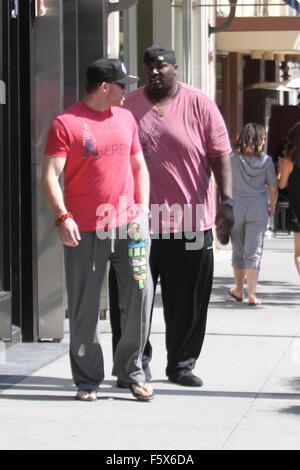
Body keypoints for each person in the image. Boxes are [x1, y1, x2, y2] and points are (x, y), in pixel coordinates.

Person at [109, 44, 234, 387]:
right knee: (132, 296)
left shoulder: (199, 103)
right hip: (136, 224)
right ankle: (134, 364)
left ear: (175, 69)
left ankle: (181, 364)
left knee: (188, 300)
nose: (154, 72)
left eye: (161, 67)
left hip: (191, 223)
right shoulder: (127, 106)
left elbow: (220, 154)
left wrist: (227, 201)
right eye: (148, 66)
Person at [42, 58, 154, 402]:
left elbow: (140, 168)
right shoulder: (67, 123)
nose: (128, 90)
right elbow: (49, 175)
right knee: (84, 305)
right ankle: (88, 379)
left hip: (129, 228)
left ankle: (131, 371)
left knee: (142, 292)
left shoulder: (126, 118)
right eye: (122, 84)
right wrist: (63, 217)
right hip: (86, 230)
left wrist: (143, 211)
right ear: (104, 86)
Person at [229, 123, 278, 306]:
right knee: (254, 251)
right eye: (263, 138)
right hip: (258, 207)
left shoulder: (232, 158)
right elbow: (273, 188)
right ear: (257, 140)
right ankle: (251, 294)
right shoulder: (266, 161)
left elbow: (222, 182)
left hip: (236, 207)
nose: (264, 141)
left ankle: (238, 289)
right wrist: (271, 206)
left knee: (238, 249)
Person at [278, 122, 300, 275]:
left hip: (297, 209)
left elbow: (282, 184)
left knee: (299, 253)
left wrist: (280, 171)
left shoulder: (289, 160)